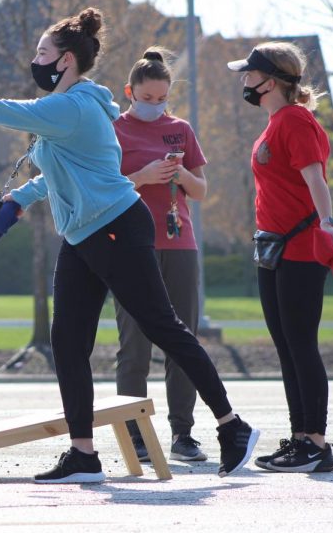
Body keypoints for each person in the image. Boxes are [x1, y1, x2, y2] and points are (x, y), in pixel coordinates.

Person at [0, 6, 258, 483]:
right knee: (67, 342)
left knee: (163, 327)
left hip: (118, 227)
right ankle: (83, 453)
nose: (35, 60)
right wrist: (20, 199)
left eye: (43, 52)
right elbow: (62, 172)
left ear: (65, 61)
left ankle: (233, 427)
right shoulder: (71, 111)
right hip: (84, 234)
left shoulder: (73, 106)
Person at [227, 42, 333, 472]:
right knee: (286, 346)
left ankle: (315, 442)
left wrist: (328, 223)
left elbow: (315, 178)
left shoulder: (295, 120)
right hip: (272, 246)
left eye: (249, 74)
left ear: (270, 81)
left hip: (298, 247)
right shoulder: (276, 121)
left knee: (300, 344)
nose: (244, 80)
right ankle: (300, 438)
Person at [113, 47, 209, 463]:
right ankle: (135, 434)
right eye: (147, 98)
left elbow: (202, 191)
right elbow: (104, 190)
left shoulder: (181, 129)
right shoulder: (113, 130)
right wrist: (141, 177)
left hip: (179, 242)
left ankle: (183, 434)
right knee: (134, 344)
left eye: (161, 98)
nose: (154, 106)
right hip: (132, 247)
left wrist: (182, 173)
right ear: (130, 91)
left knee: (182, 340)